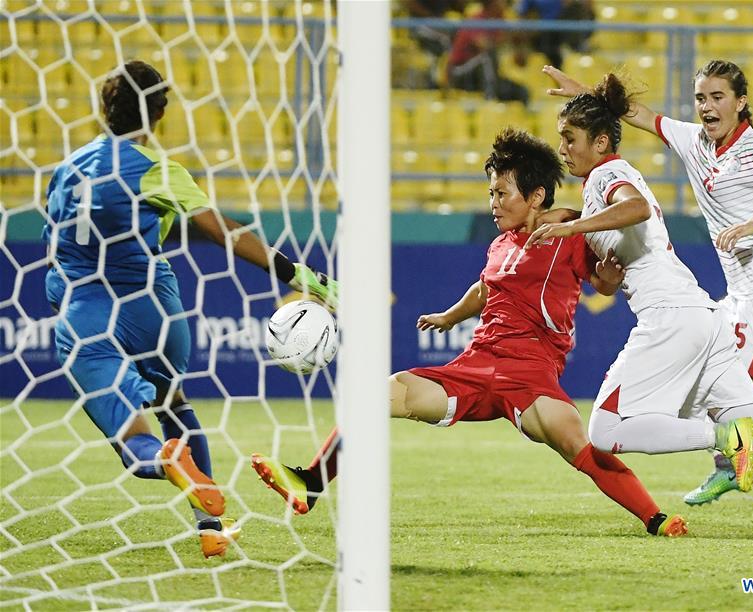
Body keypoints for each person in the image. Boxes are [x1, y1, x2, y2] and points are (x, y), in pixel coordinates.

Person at [252, 127, 687, 537]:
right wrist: (451, 316)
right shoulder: (500, 243)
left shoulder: (570, 230)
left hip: (530, 371)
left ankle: (656, 517)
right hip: (476, 365)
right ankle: (310, 481)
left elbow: (603, 280)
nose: (494, 202)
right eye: (491, 193)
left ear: (536, 196)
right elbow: (486, 286)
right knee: (379, 395)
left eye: (502, 193)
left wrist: (608, 274)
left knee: (580, 444)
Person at [523, 75, 753, 537]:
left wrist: (570, 229)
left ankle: (721, 439)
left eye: (569, 138)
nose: (562, 148)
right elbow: (612, 263)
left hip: (672, 319)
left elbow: (636, 208)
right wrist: (603, 271)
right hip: (704, 317)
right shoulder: (608, 181)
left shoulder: (607, 175)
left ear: (599, 142)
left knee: (604, 430)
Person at [42, 60, 338, 558]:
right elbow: (225, 231)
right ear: (159, 113)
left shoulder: (66, 169)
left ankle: (167, 463)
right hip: (152, 307)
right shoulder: (158, 171)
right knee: (173, 403)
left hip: (85, 310)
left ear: (103, 108)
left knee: (135, 444)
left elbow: (54, 239)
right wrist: (299, 275)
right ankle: (210, 528)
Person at [446, 0, 531, 104]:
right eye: (500, 2)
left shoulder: (499, 20)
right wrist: (508, 36)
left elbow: (521, 60)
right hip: (460, 73)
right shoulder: (475, 21)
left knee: (521, 91)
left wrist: (518, 43)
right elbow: (484, 45)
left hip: (483, 77)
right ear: (491, 4)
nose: (504, 5)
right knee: (486, 57)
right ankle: (490, 101)